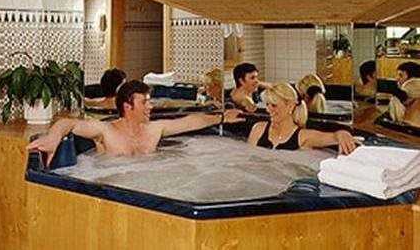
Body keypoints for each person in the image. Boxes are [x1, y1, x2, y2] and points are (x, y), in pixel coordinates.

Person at [28, 80, 245, 166]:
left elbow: (189, 122)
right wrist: (53, 138)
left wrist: (222, 118)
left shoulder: (154, 129)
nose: (150, 107)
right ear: (128, 106)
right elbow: (68, 123)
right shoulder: (106, 130)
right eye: (145, 102)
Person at [246, 82, 358, 154]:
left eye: (274, 106)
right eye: (267, 105)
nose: (268, 110)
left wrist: (342, 134)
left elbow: (334, 137)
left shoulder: (303, 137)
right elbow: (246, 160)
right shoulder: (258, 129)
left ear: (290, 106)